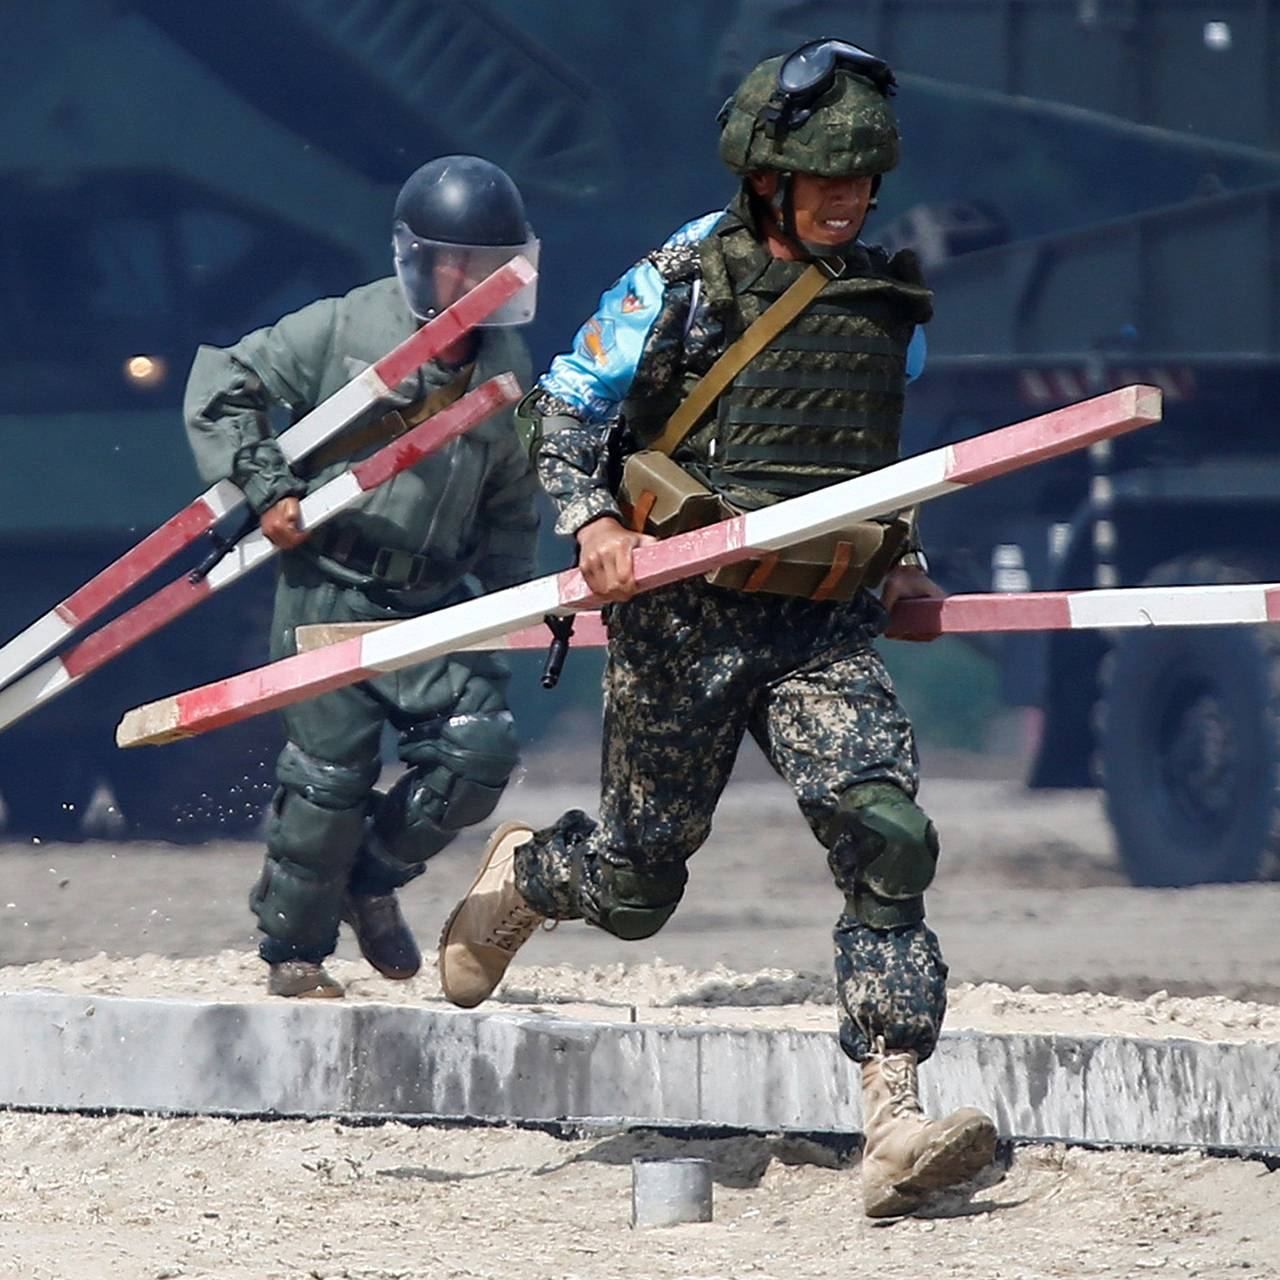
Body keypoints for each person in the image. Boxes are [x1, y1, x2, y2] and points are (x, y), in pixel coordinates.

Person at [437, 44, 998, 1217]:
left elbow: (872, 467)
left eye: (860, 182)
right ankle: (531, 875)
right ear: (764, 177)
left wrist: (906, 560)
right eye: (820, 180)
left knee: (885, 829)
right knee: (639, 886)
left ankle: (890, 1111)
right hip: (680, 620)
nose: (846, 201)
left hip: (817, 622)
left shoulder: (886, 308)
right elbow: (568, 405)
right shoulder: (681, 278)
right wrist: (590, 517)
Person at [183, 156, 541, 998]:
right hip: (328, 583)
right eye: (455, 260)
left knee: (477, 755)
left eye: (490, 263)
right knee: (327, 783)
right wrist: (267, 487)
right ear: (417, 256)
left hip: (433, 601)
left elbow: (511, 501)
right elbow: (220, 384)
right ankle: (294, 953)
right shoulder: (341, 330)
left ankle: (370, 882)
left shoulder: (505, 359)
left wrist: (509, 601)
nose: (471, 280)